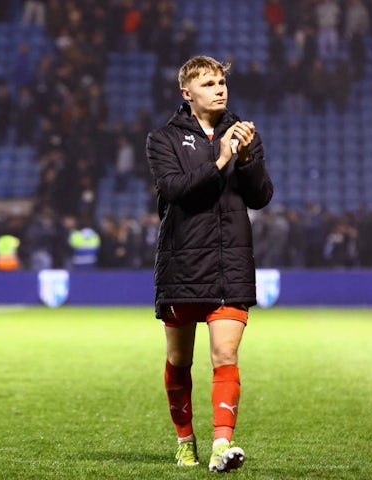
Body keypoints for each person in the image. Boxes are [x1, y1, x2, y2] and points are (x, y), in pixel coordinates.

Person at [146, 55, 273, 472]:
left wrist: (247, 157)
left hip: (230, 262)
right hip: (182, 264)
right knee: (179, 360)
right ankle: (185, 441)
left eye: (222, 82)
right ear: (187, 93)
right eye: (208, 83)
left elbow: (260, 196)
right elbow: (176, 190)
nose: (219, 89)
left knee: (225, 353)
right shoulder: (162, 139)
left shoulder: (243, 136)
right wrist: (220, 160)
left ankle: (222, 445)